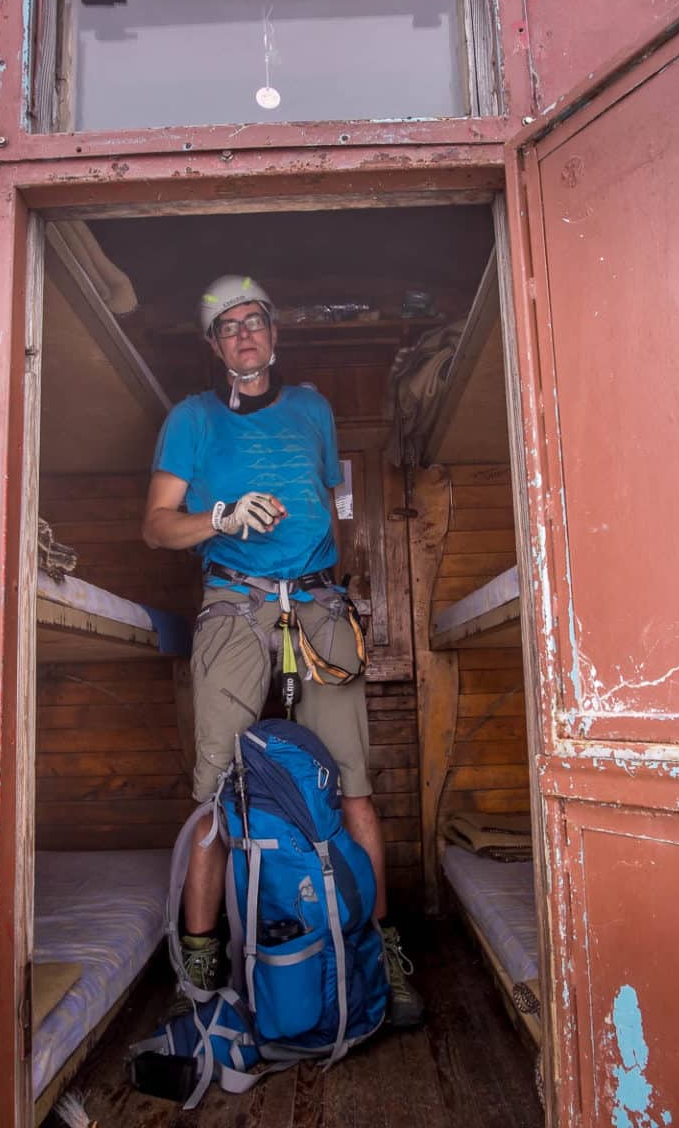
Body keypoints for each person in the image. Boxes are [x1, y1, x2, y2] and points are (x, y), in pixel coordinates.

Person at [142, 275, 424, 1028]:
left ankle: (381, 957)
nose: (243, 335)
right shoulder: (192, 419)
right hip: (233, 601)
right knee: (213, 792)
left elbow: (332, 498)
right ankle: (199, 971)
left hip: (319, 601)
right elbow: (157, 527)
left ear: (274, 333)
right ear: (213, 345)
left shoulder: (312, 408)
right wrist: (221, 517)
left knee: (354, 786)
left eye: (254, 322)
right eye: (227, 326)